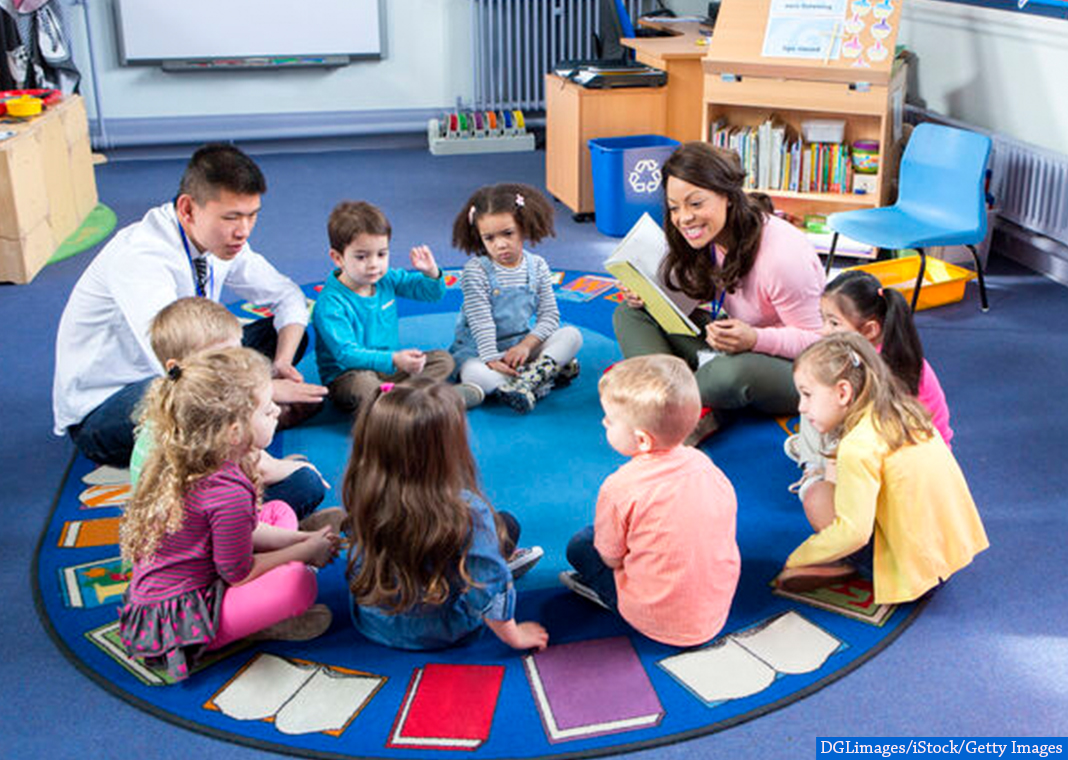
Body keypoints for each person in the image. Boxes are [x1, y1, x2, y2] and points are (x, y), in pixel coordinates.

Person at [53, 143, 327, 467]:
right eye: (231, 217)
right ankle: (246, 422)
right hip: (109, 405)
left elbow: (286, 295)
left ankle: (240, 421)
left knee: (279, 335)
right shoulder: (141, 258)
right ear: (187, 209)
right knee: (192, 397)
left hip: (186, 365)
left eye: (252, 216)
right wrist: (263, 388)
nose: (243, 231)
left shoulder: (220, 239)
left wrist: (280, 363)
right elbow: (178, 369)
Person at [118, 348, 341, 682]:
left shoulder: (202, 456)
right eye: (267, 411)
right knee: (298, 583)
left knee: (277, 510)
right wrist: (304, 551)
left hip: (184, 584)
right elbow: (239, 573)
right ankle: (262, 625)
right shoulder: (226, 492)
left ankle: (299, 544)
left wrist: (301, 538)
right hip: (179, 622)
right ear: (234, 431)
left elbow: (249, 531)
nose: (278, 412)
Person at [613, 142, 824, 442]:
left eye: (695, 203)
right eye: (674, 207)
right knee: (631, 313)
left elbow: (819, 344)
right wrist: (646, 292)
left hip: (793, 369)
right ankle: (681, 400)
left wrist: (755, 338)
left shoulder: (783, 257)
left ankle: (659, 398)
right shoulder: (709, 236)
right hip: (730, 344)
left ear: (727, 196)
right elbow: (701, 293)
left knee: (729, 375)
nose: (684, 218)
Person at [776, 333, 989, 603]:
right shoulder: (904, 410)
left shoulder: (857, 446)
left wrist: (798, 557)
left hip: (914, 573)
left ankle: (847, 564)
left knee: (818, 495)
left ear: (843, 392)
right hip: (952, 552)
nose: (801, 407)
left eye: (807, 395)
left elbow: (853, 533)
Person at [343, 379, 547, 651]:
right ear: (444, 449)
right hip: (440, 627)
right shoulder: (467, 510)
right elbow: (487, 584)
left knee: (496, 528)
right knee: (505, 527)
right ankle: (502, 562)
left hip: (375, 620)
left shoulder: (363, 486)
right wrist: (514, 635)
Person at [562, 355, 740, 647]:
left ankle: (610, 598)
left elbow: (611, 558)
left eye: (610, 419)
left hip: (657, 618)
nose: (603, 422)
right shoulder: (708, 466)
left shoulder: (620, 487)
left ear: (643, 440)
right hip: (716, 607)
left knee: (581, 543)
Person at [128, 297, 333, 523]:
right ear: (175, 365)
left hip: (173, 521)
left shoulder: (174, 399)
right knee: (306, 482)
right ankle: (277, 533)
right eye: (221, 358)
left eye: (238, 351)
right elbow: (264, 469)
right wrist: (302, 468)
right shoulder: (211, 415)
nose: (235, 363)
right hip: (198, 535)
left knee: (288, 467)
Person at [786, 270, 955, 531]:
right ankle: (813, 456)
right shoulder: (894, 352)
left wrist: (828, 480)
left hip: (899, 484)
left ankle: (813, 465)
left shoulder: (868, 373)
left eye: (833, 323)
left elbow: (855, 442)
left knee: (817, 405)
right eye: (824, 321)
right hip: (933, 473)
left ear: (870, 330)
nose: (823, 331)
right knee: (815, 397)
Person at [313, 200, 459, 413]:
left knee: (443, 361)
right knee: (365, 386)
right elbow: (346, 354)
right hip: (349, 376)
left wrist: (431, 272)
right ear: (338, 258)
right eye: (362, 256)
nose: (374, 264)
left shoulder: (386, 278)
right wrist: (395, 359)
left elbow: (432, 294)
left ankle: (394, 399)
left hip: (388, 369)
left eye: (381, 254)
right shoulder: (331, 304)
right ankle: (408, 401)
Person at [450, 182, 582, 413]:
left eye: (508, 233)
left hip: (519, 348)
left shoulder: (537, 265)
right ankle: (540, 379)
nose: (500, 244)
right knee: (472, 372)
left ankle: (527, 382)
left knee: (572, 335)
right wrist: (492, 359)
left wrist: (525, 346)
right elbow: (481, 322)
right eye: (489, 238)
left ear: (524, 227)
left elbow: (550, 316)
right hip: (479, 351)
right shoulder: (476, 270)